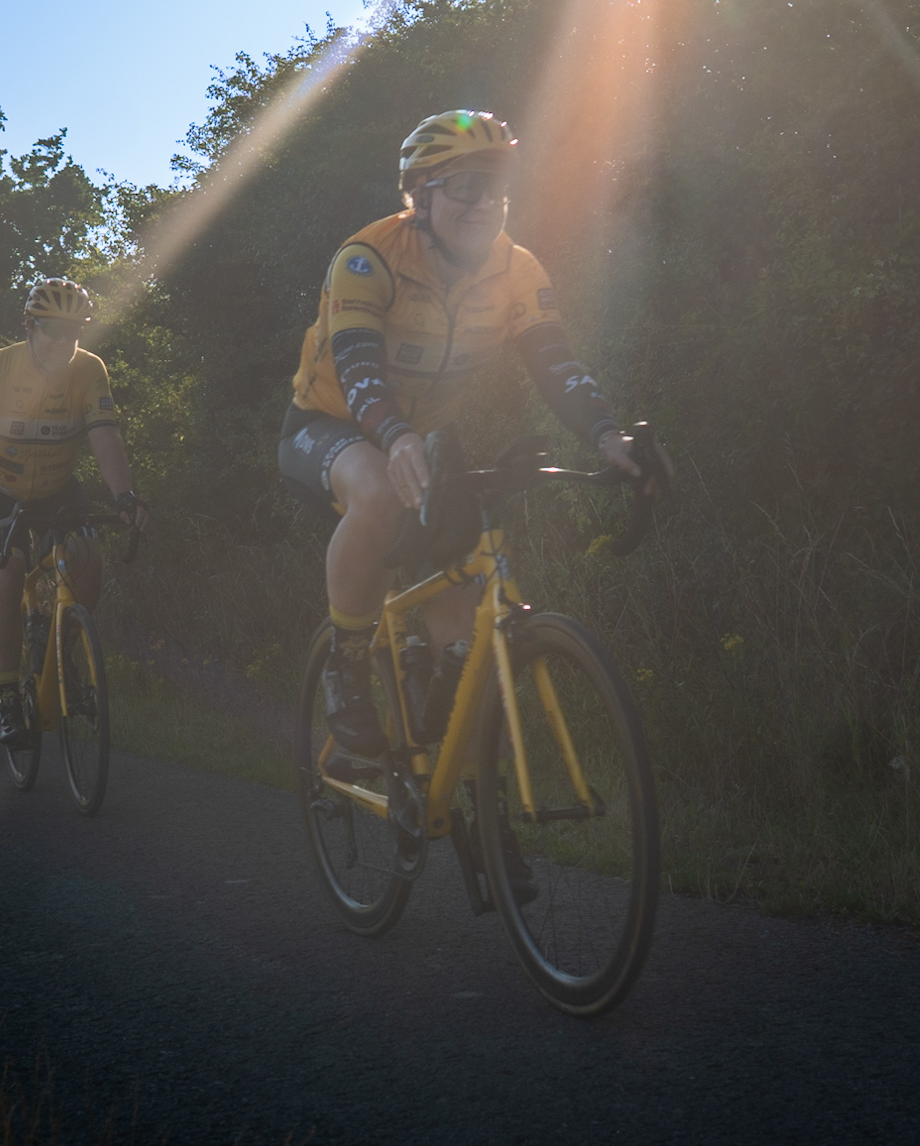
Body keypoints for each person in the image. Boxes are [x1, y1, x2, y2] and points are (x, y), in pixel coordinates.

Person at [279, 110, 670, 761]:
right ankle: (346, 667)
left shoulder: (517, 269)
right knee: (379, 493)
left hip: (423, 437)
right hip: (330, 424)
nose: (485, 203)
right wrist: (397, 436)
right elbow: (358, 369)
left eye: (496, 188)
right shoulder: (367, 259)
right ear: (420, 194)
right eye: (466, 186)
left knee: (461, 593)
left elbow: (556, 363)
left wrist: (609, 436)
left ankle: (455, 770)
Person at [0, 278, 148, 745]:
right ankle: (7, 696)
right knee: (7, 573)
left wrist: (124, 496)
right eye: (54, 330)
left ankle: (58, 650)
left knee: (88, 557)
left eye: (75, 331)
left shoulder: (89, 370)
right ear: (29, 326)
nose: (65, 343)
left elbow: (105, 434)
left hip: (54, 486)